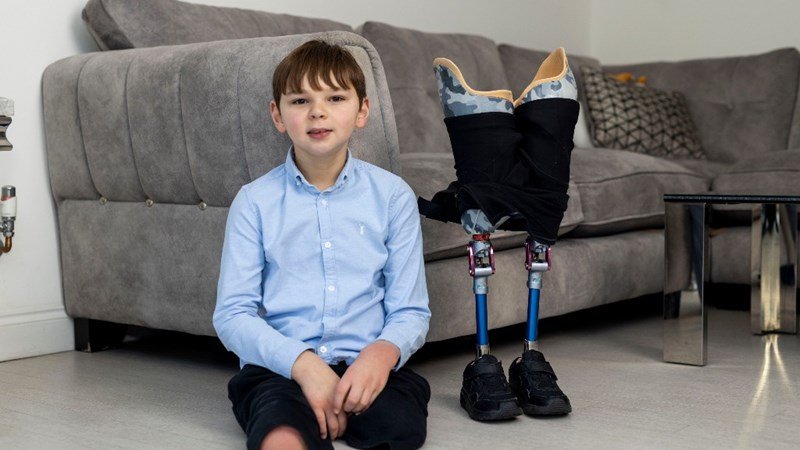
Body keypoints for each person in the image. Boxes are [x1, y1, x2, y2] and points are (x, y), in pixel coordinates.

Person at [213, 40, 431, 450]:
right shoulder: (254, 202)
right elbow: (232, 315)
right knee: (279, 433)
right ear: (277, 115)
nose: (317, 111)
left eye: (335, 98)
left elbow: (411, 311)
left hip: (366, 364)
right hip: (282, 370)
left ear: (362, 111)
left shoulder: (392, 196)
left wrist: (381, 355)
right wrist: (304, 366)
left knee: (401, 427)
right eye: (300, 100)